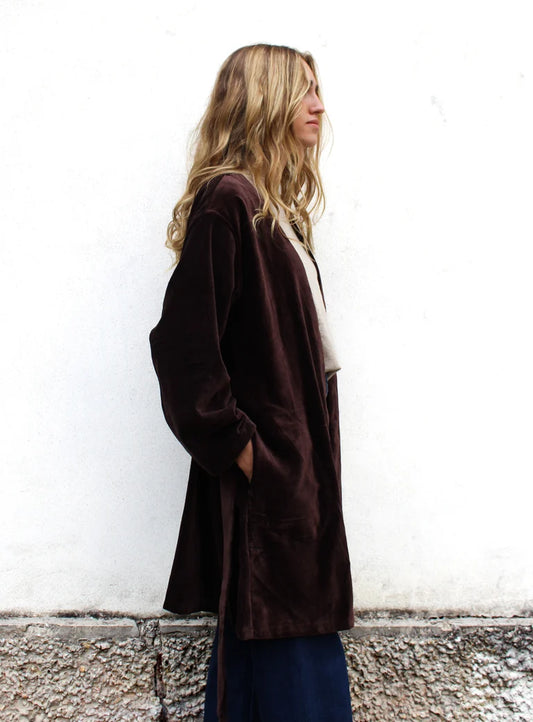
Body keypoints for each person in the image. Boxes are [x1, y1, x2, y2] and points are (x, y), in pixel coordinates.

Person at [149, 43, 354, 722]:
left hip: (296, 485)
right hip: (270, 487)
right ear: (265, 100)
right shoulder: (229, 201)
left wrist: (294, 469)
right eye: (303, 91)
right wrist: (251, 455)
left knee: (273, 661)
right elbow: (184, 351)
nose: (319, 106)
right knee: (294, 668)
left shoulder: (275, 211)